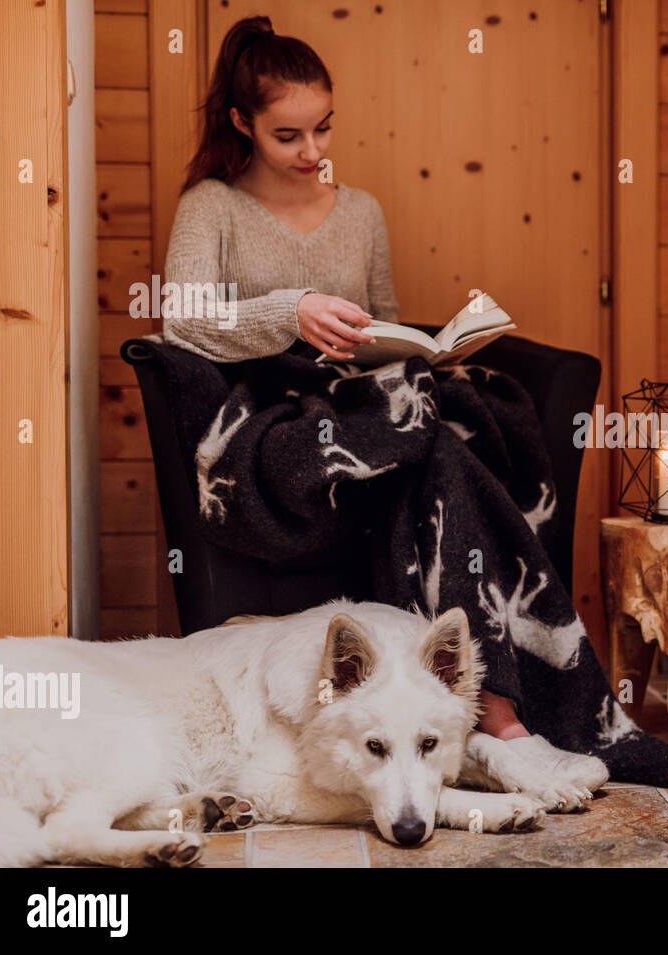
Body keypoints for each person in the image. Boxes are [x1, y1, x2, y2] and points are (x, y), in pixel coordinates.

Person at [164, 14, 526, 740]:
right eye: (288, 135)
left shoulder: (361, 212)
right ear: (241, 122)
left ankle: (478, 695)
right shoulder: (212, 207)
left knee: (454, 421)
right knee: (434, 443)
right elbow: (181, 318)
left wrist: (416, 354)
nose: (312, 151)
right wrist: (291, 312)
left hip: (361, 403)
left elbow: (383, 324)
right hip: (272, 421)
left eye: (323, 129)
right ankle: (494, 703)